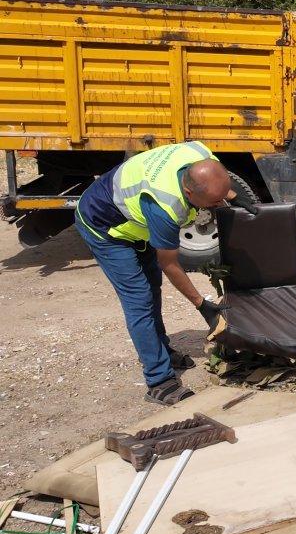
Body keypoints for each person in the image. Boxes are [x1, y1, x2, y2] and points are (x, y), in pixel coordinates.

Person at [75, 141, 256, 405]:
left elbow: (215, 177)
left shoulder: (200, 153)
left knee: (152, 287)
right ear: (188, 191)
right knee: (139, 300)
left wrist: (231, 196)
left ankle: (160, 349)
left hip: (135, 219)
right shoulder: (165, 205)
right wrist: (201, 304)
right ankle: (159, 382)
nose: (217, 206)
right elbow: (170, 264)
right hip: (105, 228)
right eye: (211, 202)